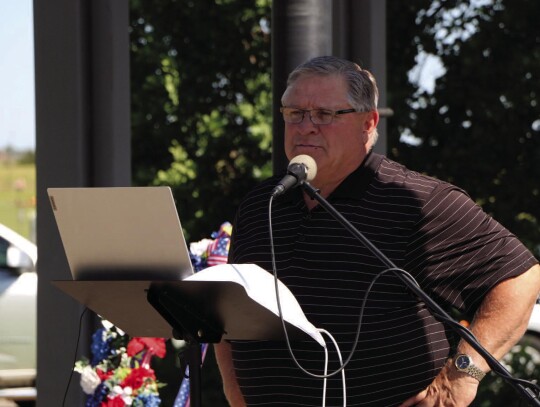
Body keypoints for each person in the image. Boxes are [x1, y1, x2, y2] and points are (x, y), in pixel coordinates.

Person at [214, 55, 540, 406]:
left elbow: (521, 278)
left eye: (325, 114)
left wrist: (462, 376)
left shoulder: (417, 200)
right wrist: (235, 392)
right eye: (294, 113)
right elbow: (229, 315)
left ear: (368, 123)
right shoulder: (262, 202)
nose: (305, 126)